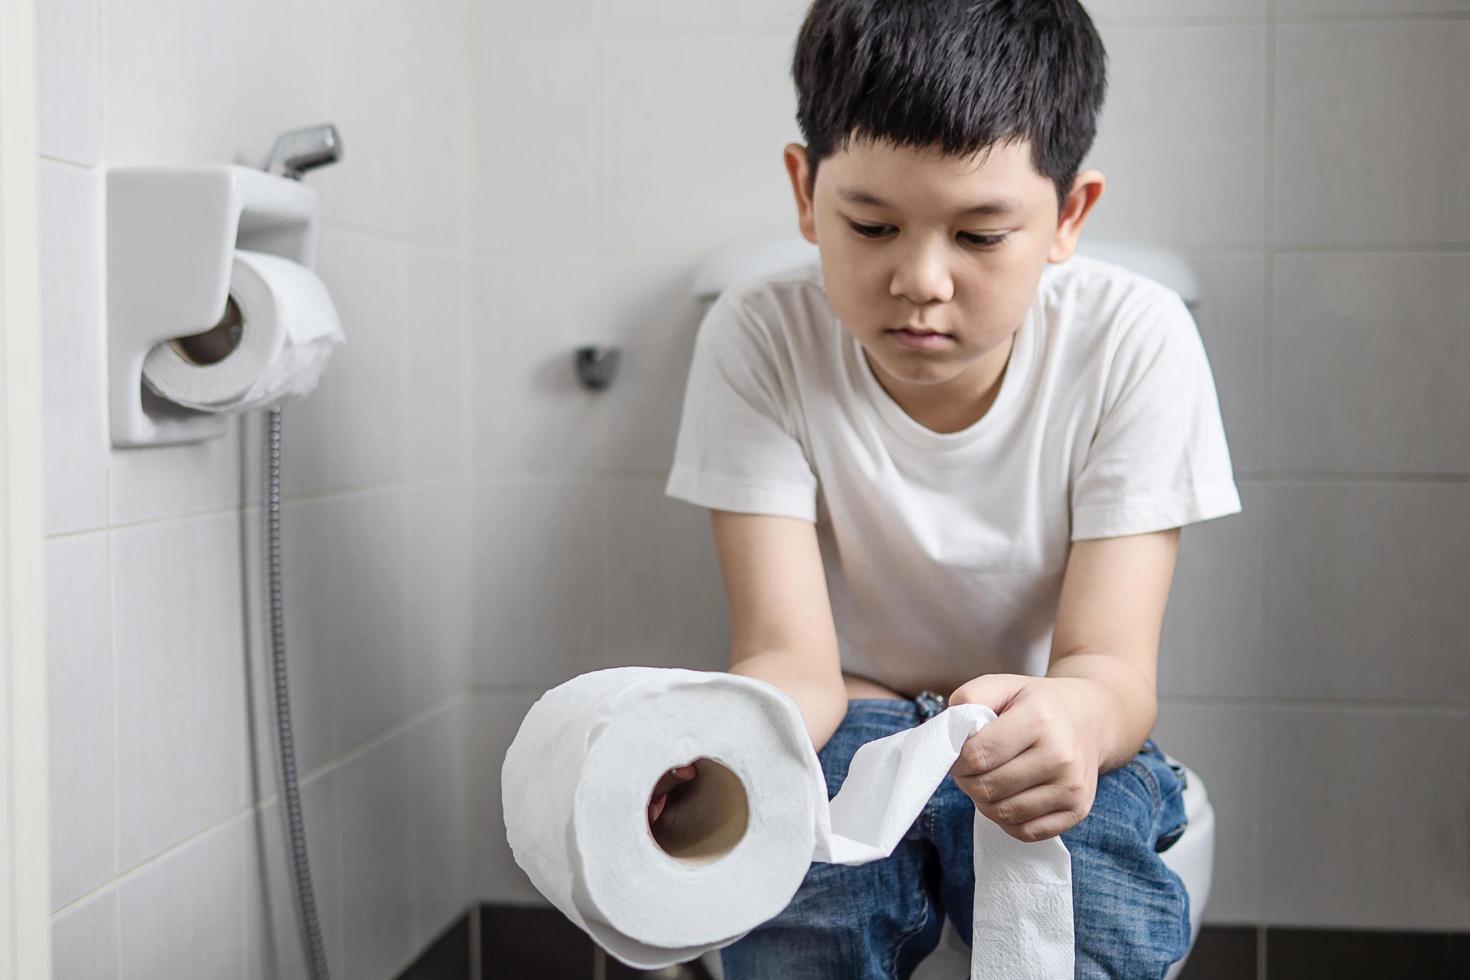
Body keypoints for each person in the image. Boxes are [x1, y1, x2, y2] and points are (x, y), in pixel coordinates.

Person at [650, 1, 1242, 976]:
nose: (921, 279)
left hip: (1048, 719)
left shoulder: (1136, 340)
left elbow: (1112, 667)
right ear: (805, 192)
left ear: (1070, 216)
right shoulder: (759, 337)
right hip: (852, 713)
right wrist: (718, 744)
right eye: (872, 224)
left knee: (1096, 913)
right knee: (802, 920)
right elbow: (788, 657)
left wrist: (1076, 722)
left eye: (979, 235)